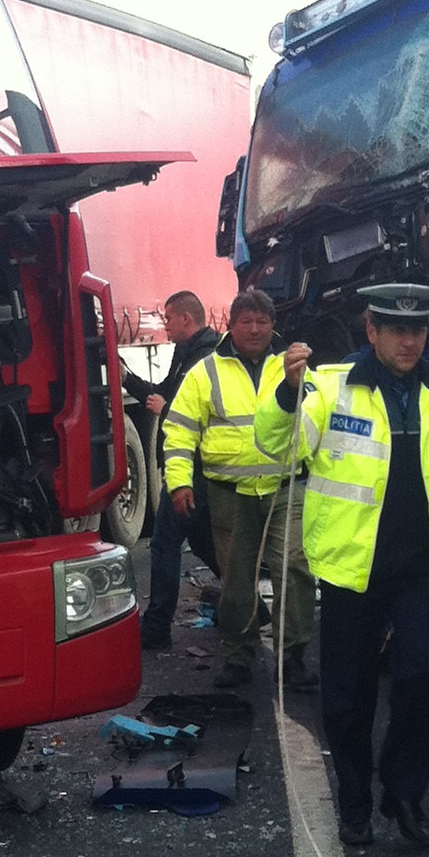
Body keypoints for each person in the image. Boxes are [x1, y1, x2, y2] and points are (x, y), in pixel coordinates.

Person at [255, 281, 429, 850]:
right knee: (347, 698)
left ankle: (405, 793)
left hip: (420, 572)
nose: (409, 341)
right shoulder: (329, 387)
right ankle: (356, 802)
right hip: (349, 573)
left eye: (417, 330)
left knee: (421, 681)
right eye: (396, 330)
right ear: (371, 330)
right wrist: (288, 395)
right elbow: (276, 446)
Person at [159, 288, 314, 690]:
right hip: (232, 494)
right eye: (246, 321)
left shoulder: (293, 367)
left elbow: (317, 422)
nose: (255, 329)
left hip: (286, 489)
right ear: (230, 325)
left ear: (273, 326)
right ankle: (237, 657)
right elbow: (177, 432)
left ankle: (293, 656)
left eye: (263, 321)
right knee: (237, 579)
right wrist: (179, 483)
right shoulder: (205, 372)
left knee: (294, 569)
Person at [137, 289, 221, 650]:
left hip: (193, 468)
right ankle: (251, 610)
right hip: (191, 468)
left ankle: (156, 627)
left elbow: (197, 412)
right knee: (204, 542)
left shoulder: (206, 358)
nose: (165, 327)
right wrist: (126, 378)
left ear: (186, 318)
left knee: (164, 543)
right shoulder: (186, 353)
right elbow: (162, 393)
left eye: (169, 319)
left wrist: (166, 406)